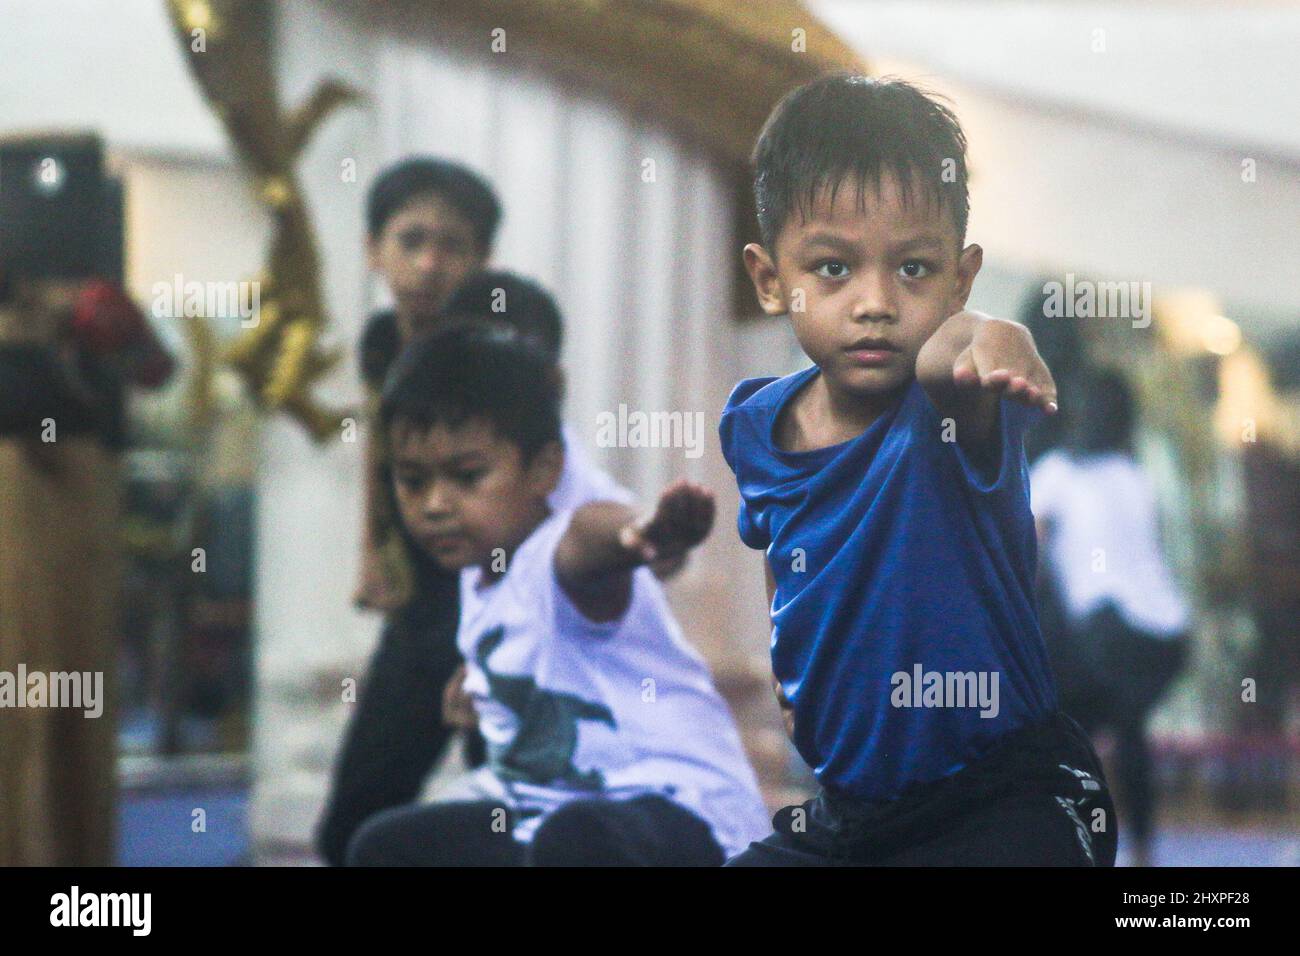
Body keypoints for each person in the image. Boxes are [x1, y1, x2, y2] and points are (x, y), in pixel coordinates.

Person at [719, 73, 1116, 866]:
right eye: (833, 269)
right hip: (854, 815)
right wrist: (789, 669)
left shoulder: (951, 404)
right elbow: (779, 545)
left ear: (960, 279)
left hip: (1005, 793)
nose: (876, 302)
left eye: (914, 270)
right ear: (770, 280)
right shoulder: (757, 426)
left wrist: (1000, 340)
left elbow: (953, 353)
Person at [345, 322, 769, 865]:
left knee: (576, 839)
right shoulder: (479, 576)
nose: (434, 504)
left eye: (466, 476)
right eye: (412, 480)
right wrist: (485, 685)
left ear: (545, 469)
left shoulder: (558, 552)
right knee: (384, 848)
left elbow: (593, 538)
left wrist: (645, 530)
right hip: (544, 815)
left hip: (682, 814)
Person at [317, 264, 637, 863]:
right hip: (429, 623)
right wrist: (373, 554)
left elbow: (616, 540)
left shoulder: (565, 479)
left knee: (523, 819)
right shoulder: (419, 430)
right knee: (354, 830)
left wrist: (648, 540)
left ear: (551, 382)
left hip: (534, 670)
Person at [1031, 368, 1190, 867]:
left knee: (1064, 733)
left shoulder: (1055, 472)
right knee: (1125, 731)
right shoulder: (1133, 475)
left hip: (1109, 630)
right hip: (1167, 633)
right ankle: (1141, 852)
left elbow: (1026, 558)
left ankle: (1077, 845)